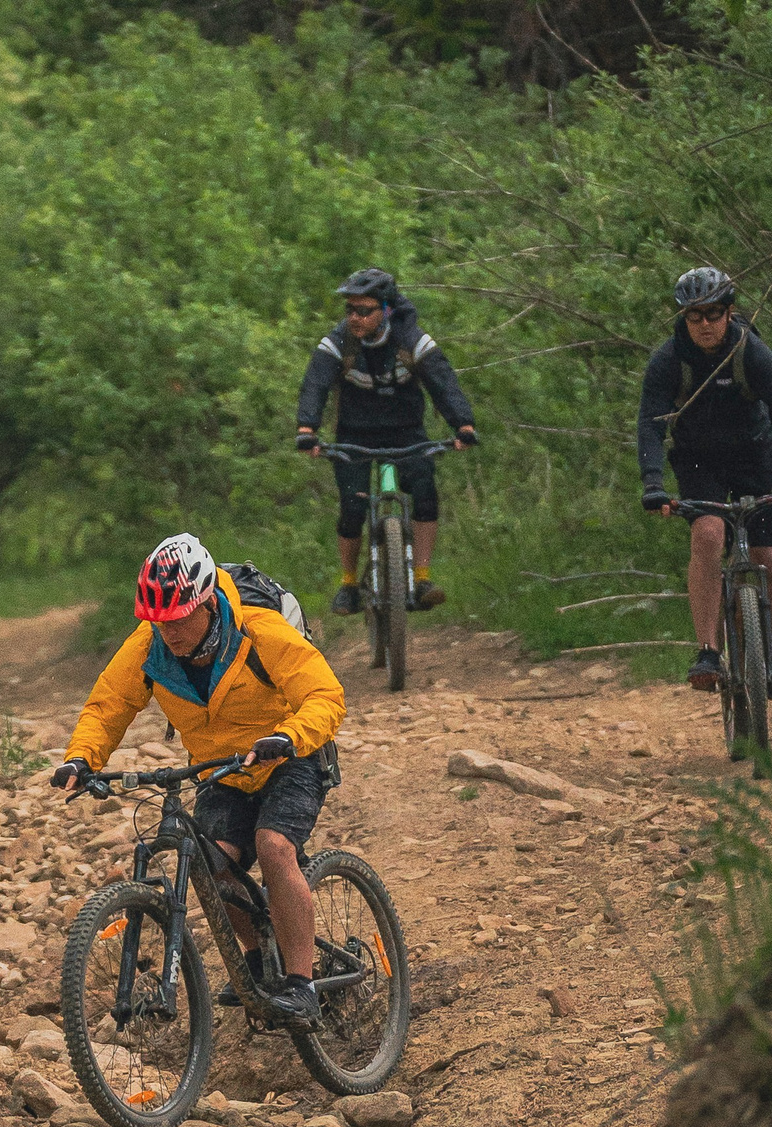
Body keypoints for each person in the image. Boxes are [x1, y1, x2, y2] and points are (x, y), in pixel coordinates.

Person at [51, 534, 348, 1022]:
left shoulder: (260, 630)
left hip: (289, 755)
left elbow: (325, 694)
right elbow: (108, 706)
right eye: (157, 620)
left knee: (274, 847)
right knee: (211, 865)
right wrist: (81, 759)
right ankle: (254, 964)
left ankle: (301, 984)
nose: (167, 631)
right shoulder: (149, 647)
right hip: (219, 770)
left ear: (207, 601)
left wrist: (289, 736)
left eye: (177, 617)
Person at [637, 268, 772, 701]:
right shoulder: (668, 360)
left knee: (769, 558)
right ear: (684, 319)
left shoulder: (751, 352)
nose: (704, 324)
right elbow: (650, 424)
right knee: (708, 533)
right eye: (694, 317)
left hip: (756, 457)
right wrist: (653, 483)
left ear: (729, 312)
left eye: (713, 314)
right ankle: (708, 651)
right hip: (698, 460)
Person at [294, 268, 478, 615]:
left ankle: (422, 578)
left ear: (387, 310)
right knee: (352, 507)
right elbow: (315, 384)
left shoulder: (411, 339)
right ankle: (348, 584)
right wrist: (307, 430)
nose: (354, 318)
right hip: (354, 434)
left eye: (364, 311)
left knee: (424, 492)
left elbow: (443, 381)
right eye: (350, 310)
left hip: (406, 431)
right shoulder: (339, 342)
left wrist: (463, 425)